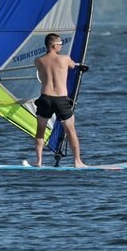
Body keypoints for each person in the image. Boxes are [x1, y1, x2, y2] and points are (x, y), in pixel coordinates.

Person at [33, 33, 89, 167]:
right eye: (59, 44)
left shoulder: (38, 61)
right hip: (60, 100)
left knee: (40, 131)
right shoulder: (65, 59)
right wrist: (79, 65)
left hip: (45, 99)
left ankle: (38, 161)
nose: (61, 46)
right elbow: (73, 65)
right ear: (53, 45)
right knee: (71, 131)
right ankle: (77, 161)